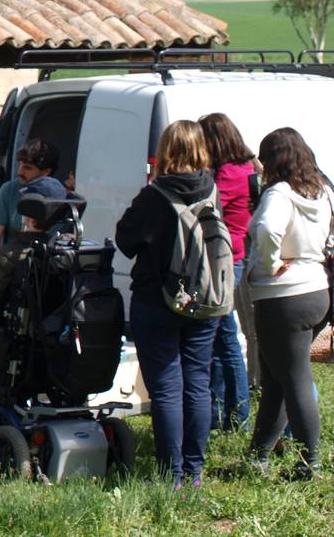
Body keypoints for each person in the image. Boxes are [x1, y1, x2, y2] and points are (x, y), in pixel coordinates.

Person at [115, 120, 218, 488]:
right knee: (198, 383)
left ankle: (170, 475)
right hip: (204, 300)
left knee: (167, 389)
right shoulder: (212, 188)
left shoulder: (154, 194)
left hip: (156, 299)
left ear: (166, 151)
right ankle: (195, 472)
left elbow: (125, 240)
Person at [244, 127, 330, 481]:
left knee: (293, 379)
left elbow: (265, 230)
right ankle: (258, 454)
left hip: (284, 296)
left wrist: (269, 264)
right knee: (277, 379)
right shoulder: (323, 191)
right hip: (317, 290)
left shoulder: (279, 193)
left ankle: (311, 463)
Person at [198, 112, 254, 432]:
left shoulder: (229, 175)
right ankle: (221, 414)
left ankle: (238, 416)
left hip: (224, 259)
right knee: (219, 340)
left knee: (226, 341)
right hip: (233, 257)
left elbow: (207, 205)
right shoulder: (245, 168)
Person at [0, 139, 59, 303]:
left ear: (46, 172)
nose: (20, 171)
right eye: (20, 164)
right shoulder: (9, 189)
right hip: (10, 274)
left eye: (28, 167)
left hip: (46, 278)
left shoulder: (58, 198)